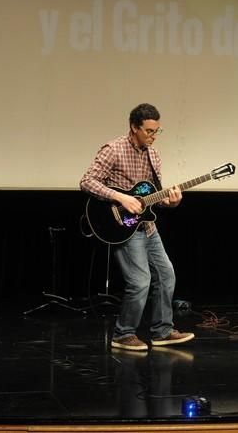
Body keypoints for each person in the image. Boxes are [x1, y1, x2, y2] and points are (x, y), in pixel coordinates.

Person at [80, 103, 194, 351]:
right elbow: (87, 181)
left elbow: (153, 197)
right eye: (149, 131)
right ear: (134, 127)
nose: (153, 137)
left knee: (166, 275)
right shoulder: (114, 149)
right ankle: (123, 334)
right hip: (121, 224)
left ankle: (162, 331)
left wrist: (170, 201)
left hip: (147, 226)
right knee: (140, 281)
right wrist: (121, 198)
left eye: (157, 132)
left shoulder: (153, 155)